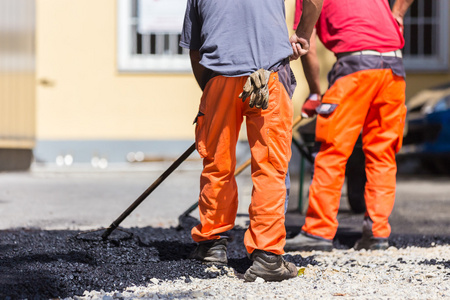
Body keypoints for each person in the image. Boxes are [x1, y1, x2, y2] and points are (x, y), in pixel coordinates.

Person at [179, 0, 323, 281]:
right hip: (269, 75)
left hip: (219, 76)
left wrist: (210, 94)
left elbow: (195, 50)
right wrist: (303, 33)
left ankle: (211, 244)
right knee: (270, 166)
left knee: (217, 162)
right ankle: (267, 256)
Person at [285, 0, 414, 252]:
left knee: (331, 151)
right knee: (382, 153)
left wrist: (314, 93)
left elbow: (305, 43)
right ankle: (377, 233)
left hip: (355, 68)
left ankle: (318, 231)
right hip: (394, 68)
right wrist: (397, 13)